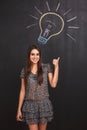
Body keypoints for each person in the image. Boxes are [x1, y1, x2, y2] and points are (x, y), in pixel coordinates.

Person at [16, 45, 60, 130]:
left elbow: (53, 84)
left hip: (44, 104)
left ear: (40, 56)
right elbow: (22, 91)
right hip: (30, 106)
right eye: (33, 54)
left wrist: (56, 66)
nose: (35, 57)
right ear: (29, 55)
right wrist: (19, 109)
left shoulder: (46, 67)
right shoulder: (24, 70)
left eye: (37, 54)